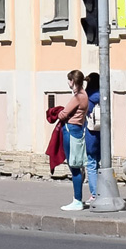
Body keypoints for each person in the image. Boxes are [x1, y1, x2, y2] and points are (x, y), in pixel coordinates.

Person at [56, 69, 89, 211]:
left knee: (73, 166)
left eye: (69, 81)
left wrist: (58, 112)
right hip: (78, 129)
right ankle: (77, 198)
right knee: (76, 165)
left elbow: (62, 115)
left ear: (72, 81)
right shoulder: (84, 95)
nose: (68, 84)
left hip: (71, 130)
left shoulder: (77, 97)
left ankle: (77, 200)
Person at [83, 72, 101, 203]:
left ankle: (95, 194)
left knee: (91, 163)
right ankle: (101, 191)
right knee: (99, 163)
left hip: (91, 134)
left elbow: (85, 115)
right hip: (102, 134)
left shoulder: (88, 98)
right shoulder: (103, 97)